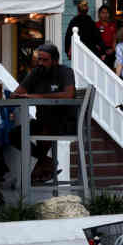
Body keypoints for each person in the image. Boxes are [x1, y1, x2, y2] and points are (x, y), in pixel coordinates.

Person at [13, 42, 76, 185]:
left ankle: (43, 166)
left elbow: (69, 94)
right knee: (14, 135)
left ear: (55, 61)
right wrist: (18, 94)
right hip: (43, 121)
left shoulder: (65, 72)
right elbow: (17, 93)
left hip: (64, 121)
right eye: (39, 59)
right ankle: (46, 161)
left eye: (45, 60)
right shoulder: (36, 73)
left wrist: (37, 97)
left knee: (46, 125)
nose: (41, 63)